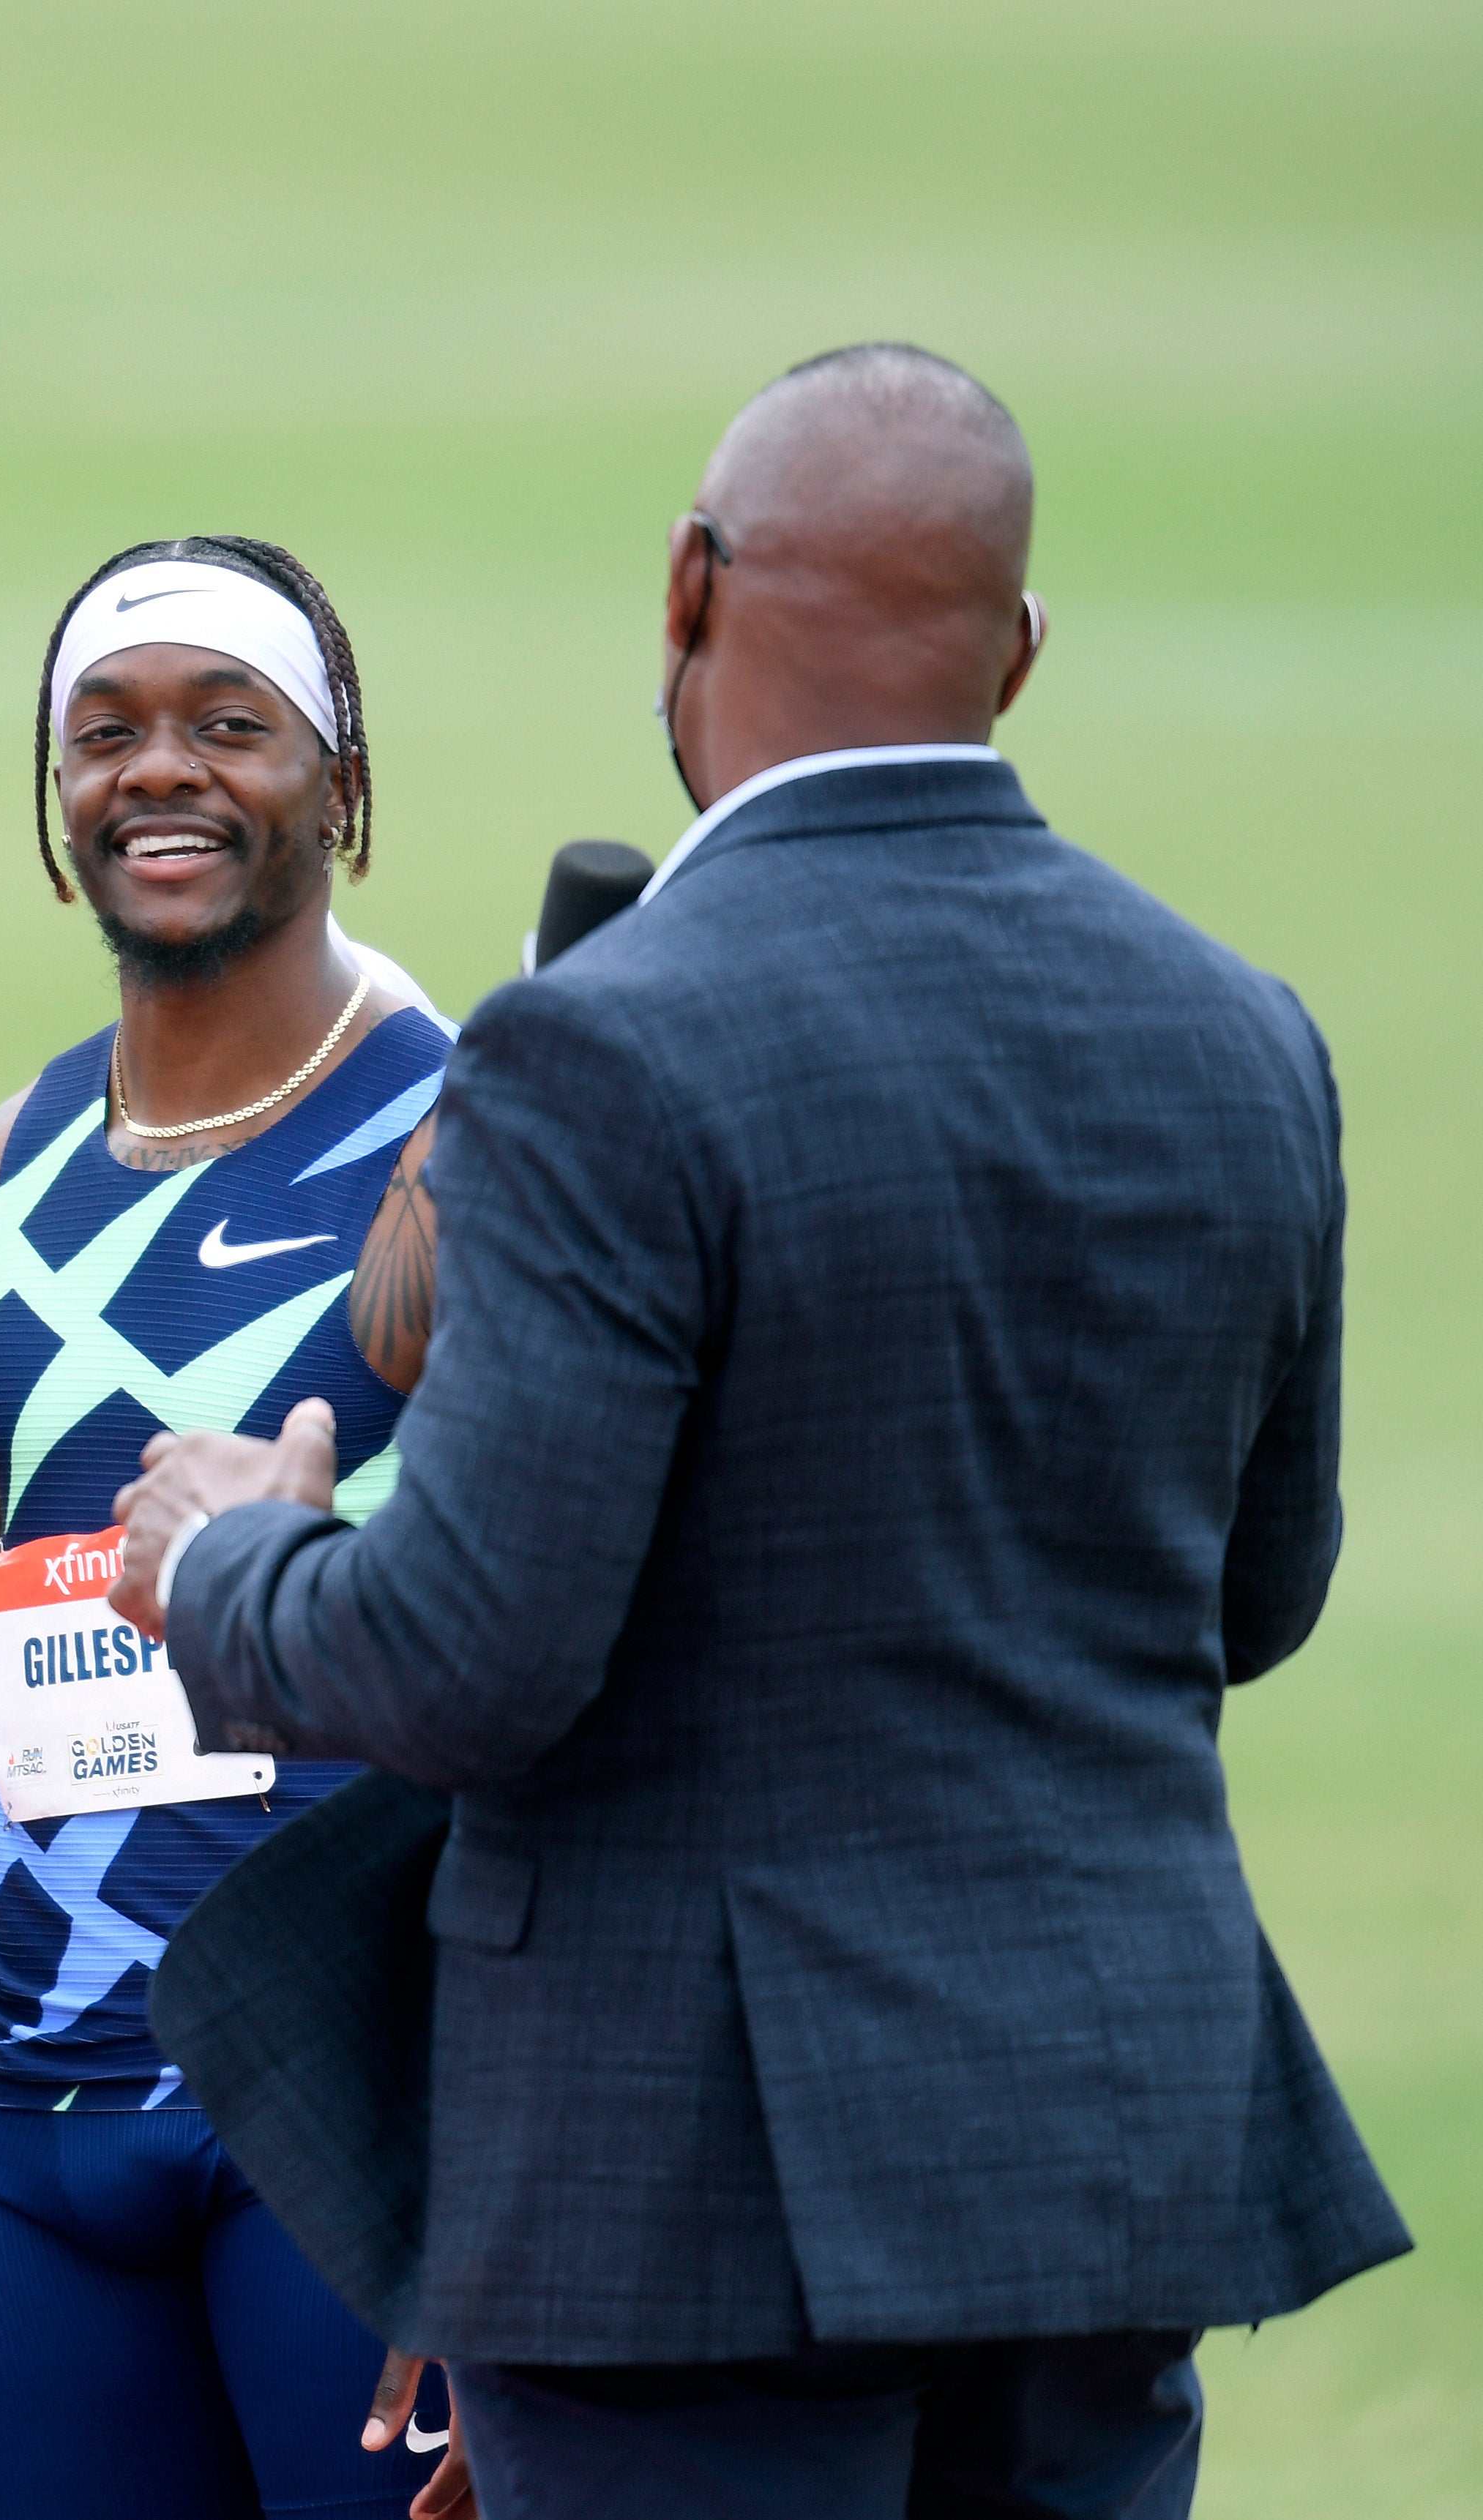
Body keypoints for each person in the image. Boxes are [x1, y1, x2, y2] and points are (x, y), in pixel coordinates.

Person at [109, 346, 1409, 2519]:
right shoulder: (1239, 1032)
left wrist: (233, 1553)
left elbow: (469, 1653)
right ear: (1016, 650)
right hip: (1103, 2146)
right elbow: (1253, 1596)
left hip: (685, 2194)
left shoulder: (605, 1050)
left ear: (689, 593)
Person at [0, 535, 471, 2517]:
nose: (162, 770)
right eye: (108, 732)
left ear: (339, 782)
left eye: (229, 725)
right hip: (37, 2135)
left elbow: (571, 1687)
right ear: (52, 802)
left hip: (348, 2127)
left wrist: (518, 2211)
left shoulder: (472, 1159)